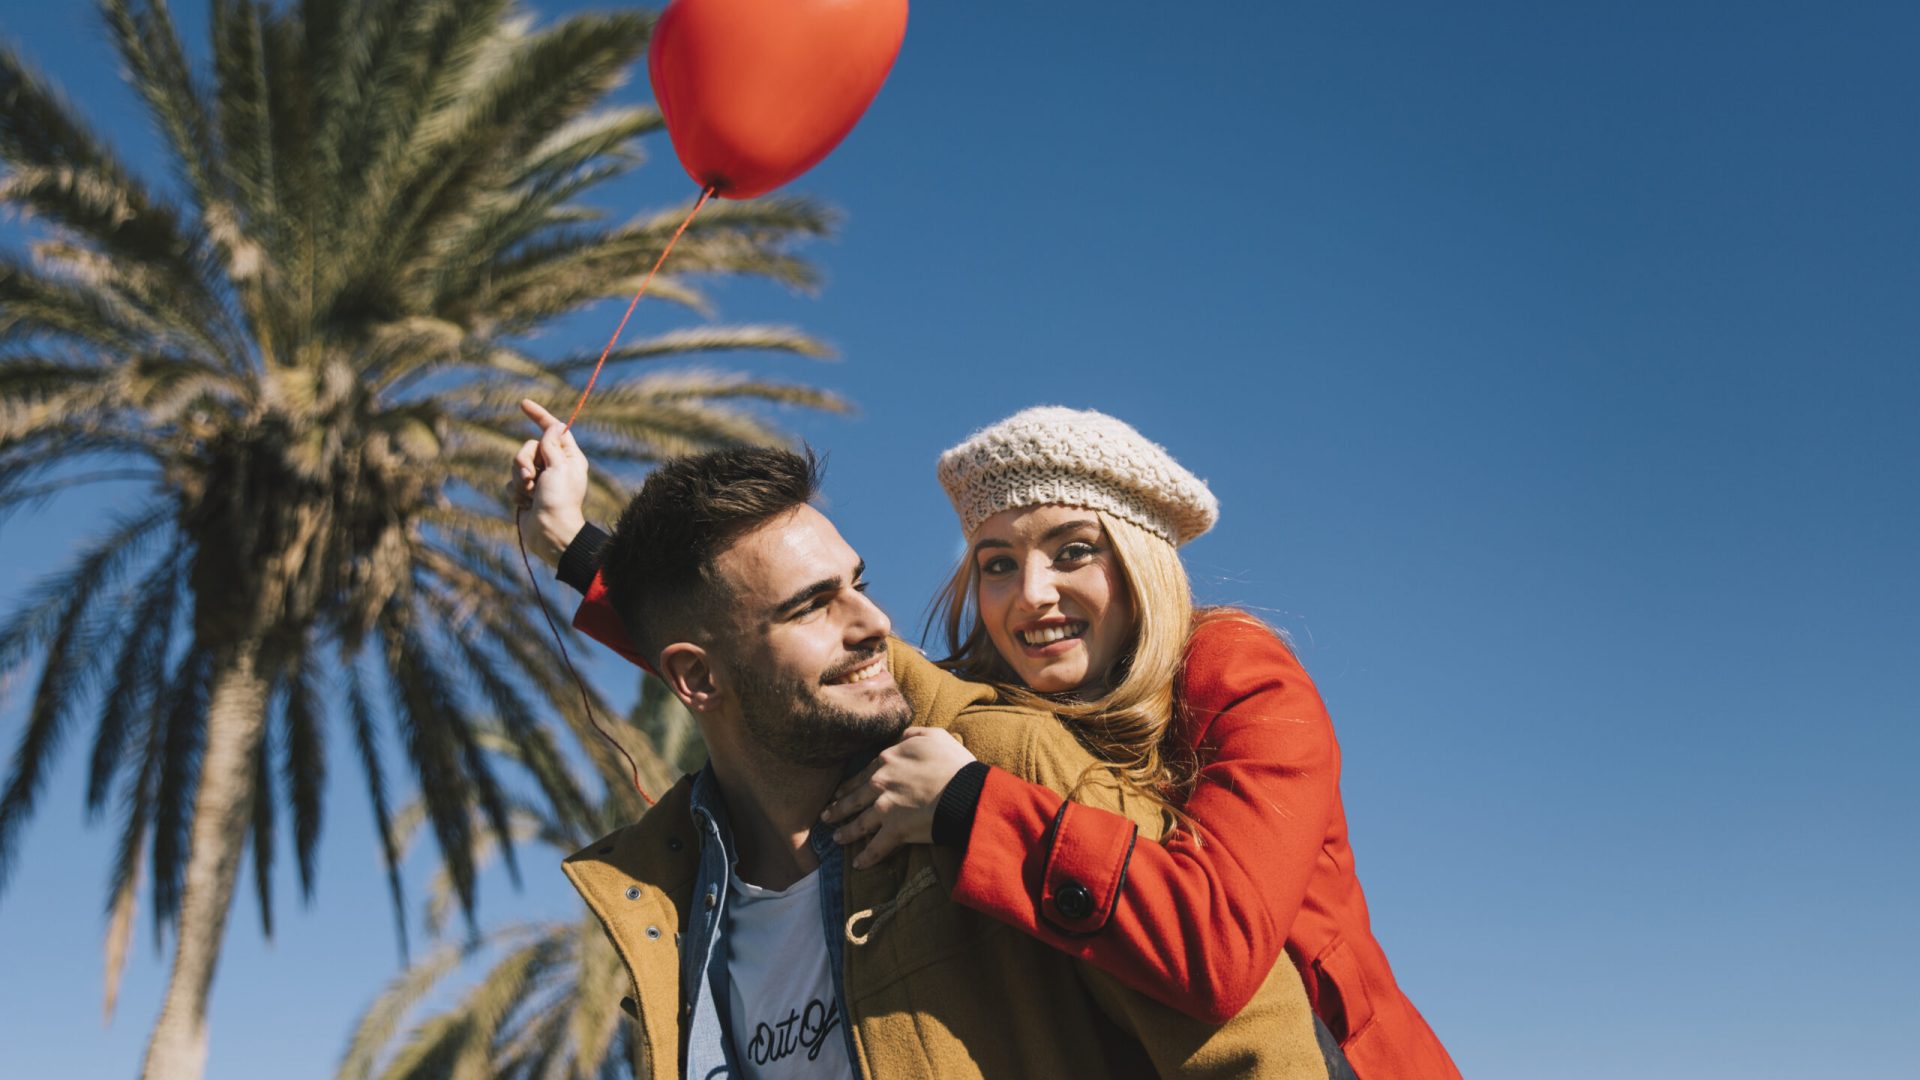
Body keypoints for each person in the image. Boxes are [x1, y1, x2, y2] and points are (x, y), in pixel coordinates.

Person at [518, 402, 1453, 1078]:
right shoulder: (992, 699)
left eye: (1073, 551)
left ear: (1141, 561)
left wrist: (966, 806)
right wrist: (577, 547)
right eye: (997, 564)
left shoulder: (1236, 675)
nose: (1031, 594)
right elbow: (780, 674)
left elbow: (1219, 947)